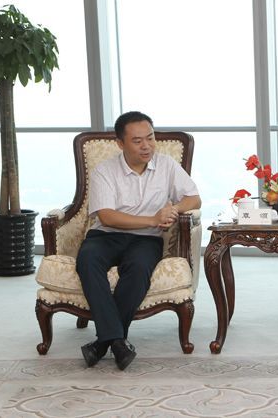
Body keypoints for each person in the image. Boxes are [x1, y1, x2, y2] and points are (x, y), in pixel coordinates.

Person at [76, 111, 201, 370]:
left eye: (150, 138)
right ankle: (117, 341)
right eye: (137, 141)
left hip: (146, 240)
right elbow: (107, 217)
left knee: (139, 268)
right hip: (106, 235)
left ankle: (105, 342)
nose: (147, 146)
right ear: (120, 143)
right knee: (87, 260)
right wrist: (153, 219)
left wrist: (174, 209)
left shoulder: (166, 165)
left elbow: (194, 198)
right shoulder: (104, 171)